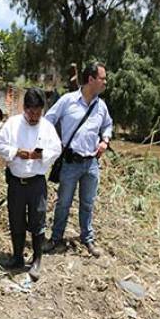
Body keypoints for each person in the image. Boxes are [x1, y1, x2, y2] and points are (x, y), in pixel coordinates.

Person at [43, 62, 113, 257]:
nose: (105, 82)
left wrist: (105, 141)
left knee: (88, 203)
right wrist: (56, 144)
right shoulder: (68, 101)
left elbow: (108, 125)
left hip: (91, 164)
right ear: (91, 79)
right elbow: (48, 120)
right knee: (63, 202)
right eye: (102, 78)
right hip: (70, 162)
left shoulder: (101, 106)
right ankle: (56, 238)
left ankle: (87, 239)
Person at [0, 88, 61, 279]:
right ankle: (17, 257)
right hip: (16, 182)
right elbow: (0, 144)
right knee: (16, 219)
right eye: (30, 112)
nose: (33, 117)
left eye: (37, 112)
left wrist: (42, 155)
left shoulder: (47, 127)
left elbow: (56, 148)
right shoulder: (12, 124)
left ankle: (37, 259)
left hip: (36, 183)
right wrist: (16, 152)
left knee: (37, 221)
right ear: (24, 108)